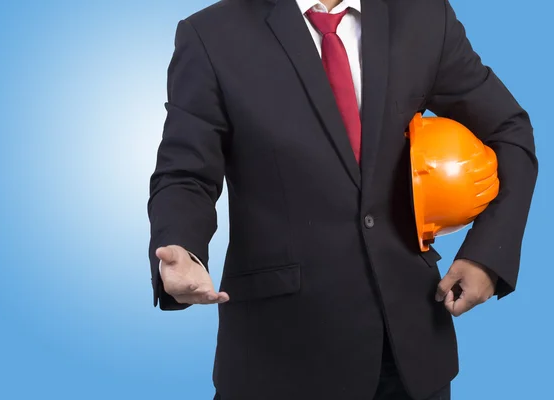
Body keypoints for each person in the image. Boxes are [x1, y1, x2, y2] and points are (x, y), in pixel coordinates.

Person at [147, 0, 538, 399]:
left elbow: (509, 132)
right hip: (279, 356)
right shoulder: (211, 35)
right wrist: (182, 245)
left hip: (411, 356)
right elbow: (185, 173)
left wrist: (488, 255)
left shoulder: (424, 15)